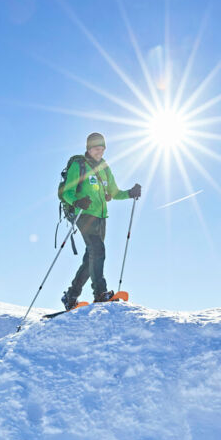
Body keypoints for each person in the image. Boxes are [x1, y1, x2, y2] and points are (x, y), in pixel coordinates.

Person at [59, 132, 141, 310]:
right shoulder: (79, 164)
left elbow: (114, 192)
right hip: (84, 214)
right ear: (89, 148)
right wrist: (77, 201)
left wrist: (130, 193)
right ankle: (100, 294)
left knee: (91, 257)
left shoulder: (104, 167)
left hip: (101, 217)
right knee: (97, 249)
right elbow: (67, 192)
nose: (100, 152)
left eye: (103, 149)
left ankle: (71, 296)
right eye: (97, 149)